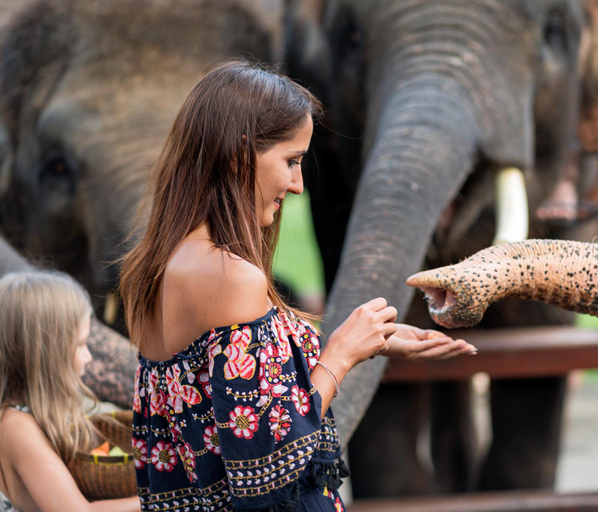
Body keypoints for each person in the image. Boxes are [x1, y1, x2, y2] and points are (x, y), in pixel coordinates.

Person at [119, 60, 475, 512]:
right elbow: (266, 467)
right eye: (291, 161)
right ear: (239, 153)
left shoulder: (153, 271)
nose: (298, 185)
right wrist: (339, 356)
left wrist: (366, 340)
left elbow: (231, 399)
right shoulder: (231, 276)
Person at [0, 271, 141, 512]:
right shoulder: (16, 426)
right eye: (79, 344)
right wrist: (163, 499)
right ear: (47, 356)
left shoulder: (30, 416)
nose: (88, 357)